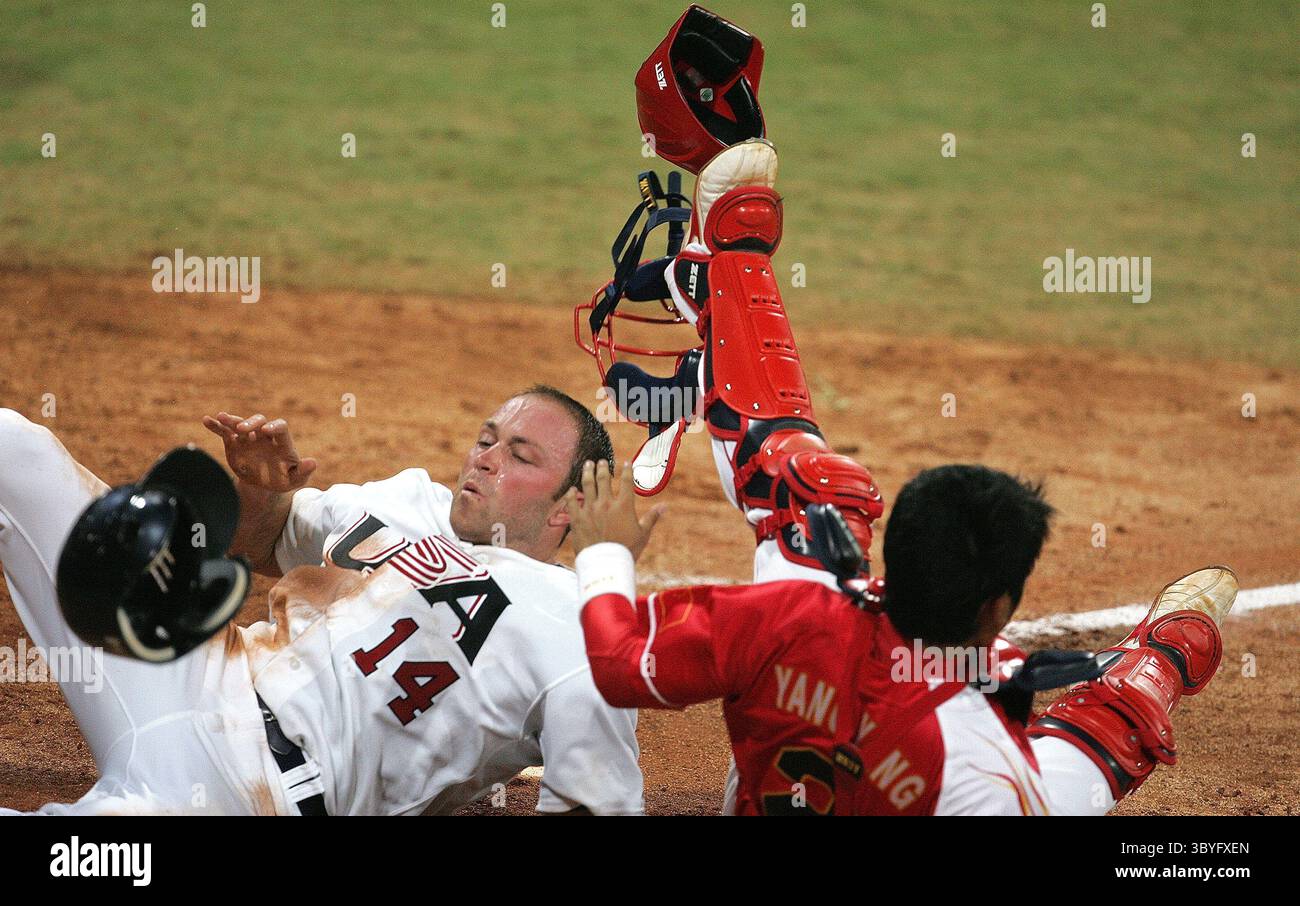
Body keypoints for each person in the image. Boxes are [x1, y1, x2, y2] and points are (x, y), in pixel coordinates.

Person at [0, 386, 644, 815]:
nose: (484, 459)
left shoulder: (581, 632)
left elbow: (596, 798)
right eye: (486, 439)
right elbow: (264, 537)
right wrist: (262, 495)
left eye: (519, 455)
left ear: (573, 505)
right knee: (12, 446)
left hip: (242, 793)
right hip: (184, 658)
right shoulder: (410, 504)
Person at [565, 459, 1237, 815]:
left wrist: (602, 553)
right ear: (998, 605)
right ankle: (1157, 664)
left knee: (813, 491)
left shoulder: (784, 617)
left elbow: (620, 665)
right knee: (1088, 747)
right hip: (968, 768)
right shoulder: (976, 763)